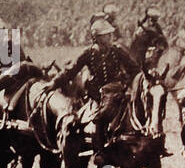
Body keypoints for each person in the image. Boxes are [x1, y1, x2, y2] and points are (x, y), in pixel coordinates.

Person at [59, 18, 140, 153]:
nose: (110, 37)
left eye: (110, 34)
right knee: (99, 119)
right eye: (107, 35)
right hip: (98, 96)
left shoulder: (117, 51)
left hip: (118, 92)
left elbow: (134, 69)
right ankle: (100, 153)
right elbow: (71, 71)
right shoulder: (88, 53)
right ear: (97, 37)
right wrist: (54, 83)